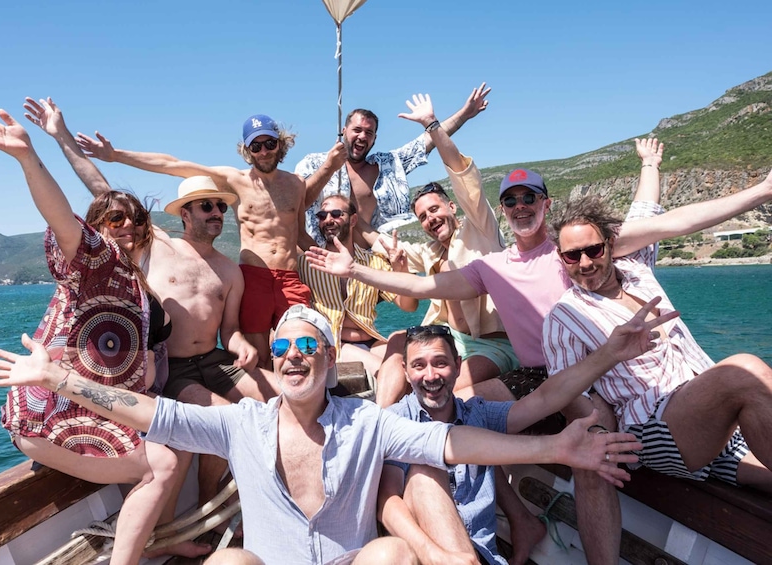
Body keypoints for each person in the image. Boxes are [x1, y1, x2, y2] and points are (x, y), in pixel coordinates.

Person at [305, 141, 772, 563]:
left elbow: (665, 217)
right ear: (504, 211)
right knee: (473, 407)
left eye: (530, 197)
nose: (521, 205)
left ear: (547, 205)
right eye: (511, 200)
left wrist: (755, 190)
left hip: (608, 378)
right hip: (551, 374)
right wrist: (357, 273)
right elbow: (423, 284)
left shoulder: (575, 247)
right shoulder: (497, 268)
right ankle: (403, 471)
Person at [0, 305, 643, 565]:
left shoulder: (367, 423)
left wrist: (552, 448)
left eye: (308, 346)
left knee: (391, 555)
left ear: (327, 360)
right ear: (272, 363)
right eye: (283, 347)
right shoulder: (241, 423)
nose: (294, 355)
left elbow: (453, 444)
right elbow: (148, 411)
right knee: (229, 562)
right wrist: (60, 378)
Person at [0, 107, 206, 564]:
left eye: (135, 219)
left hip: (94, 405)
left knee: (183, 437)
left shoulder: (134, 279)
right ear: (97, 229)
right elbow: (64, 223)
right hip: (53, 414)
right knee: (164, 464)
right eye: (114, 220)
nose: (127, 225)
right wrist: (29, 158)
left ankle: (164, 536)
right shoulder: (95, 263)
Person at [24, 97, 280, 508]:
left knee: (280, 401)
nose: (217, 212)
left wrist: (241, 345)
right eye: (207, 206)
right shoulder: (156, 243)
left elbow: (229, 329)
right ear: (185, 214)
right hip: (174, 369)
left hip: (216, 360)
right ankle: (211, 500)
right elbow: (103, 191)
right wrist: (61, 135)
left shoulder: (230, 270)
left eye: (220, 206)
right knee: (222, 422)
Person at [380, 303, 677, 565]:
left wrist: (610, 354)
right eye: (419, 366)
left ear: (458, 367)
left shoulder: (478, 415)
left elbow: (544, 399)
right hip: (422, 557)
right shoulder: (395, 422)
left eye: (440, 363)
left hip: (483, 555)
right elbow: (388, 500)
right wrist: (433, 554)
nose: (430, 376)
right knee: (423, 476)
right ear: (406, 372)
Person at [75, 112, 348, 364]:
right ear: (247, 150)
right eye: (256, 146)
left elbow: (298, 232)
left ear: (281, 145)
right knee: (261, 356)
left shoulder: (297, 184)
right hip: (254, 275)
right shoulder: (236, 180)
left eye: (269, 143)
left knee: (304, 344)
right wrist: (116, 155)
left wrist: (334, 261)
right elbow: (174, 165)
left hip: (290, 277)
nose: (263, 151)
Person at [544, 191, 772, 493]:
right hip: (651, 427)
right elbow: (567, 390)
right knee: (745, 371)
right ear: (562, 258)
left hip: (709, 419)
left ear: (611, 245)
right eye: (572, 255)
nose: (585, 262)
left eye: (594, 250)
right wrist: (599, 436)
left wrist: (650, 161)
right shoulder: (565, 316)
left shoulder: (638, 270)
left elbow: (651, 214)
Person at [366, 93, 509, 407]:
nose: (430, 219)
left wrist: (432, 125)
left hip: (488, 346)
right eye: (423, 217)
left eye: (434, 210)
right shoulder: (430, 251)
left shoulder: (480, 229)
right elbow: (384, 243)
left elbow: (462, 173)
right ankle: (380, 418)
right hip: (444, 339)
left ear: (452, 207)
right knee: (397, 340)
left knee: (446, 394)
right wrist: (352, 217)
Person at [296, 84, 492, 247]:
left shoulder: (389, 165)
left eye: (369, 133)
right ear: (344, 131)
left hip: (381, 258)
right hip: (326, 258)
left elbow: (427, 141)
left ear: (374, 139)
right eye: (357, 130)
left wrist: (465, 114)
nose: (362, 136)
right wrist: (328, 167)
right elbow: (296, 201)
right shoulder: (314, 163)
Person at [297, 194, 418, 375]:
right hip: (334, 345)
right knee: (396, 372)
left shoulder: (373, 263)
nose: (328, 220)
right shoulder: (307, 265)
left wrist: (402, 272)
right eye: (322, 216)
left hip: (372, 341)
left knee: (411, 358)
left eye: (336, 214)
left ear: (353, 220)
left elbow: (408, 306)